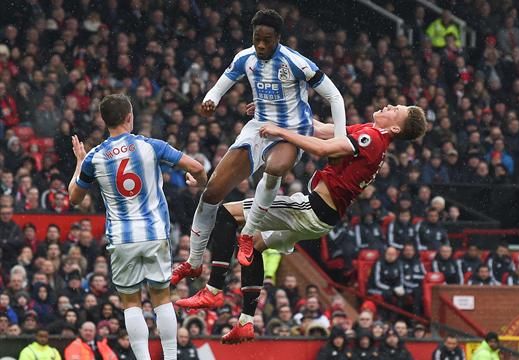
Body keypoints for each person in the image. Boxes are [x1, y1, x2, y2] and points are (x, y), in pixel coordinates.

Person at [174, 103, 427, 345]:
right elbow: (317, 128)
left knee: (228, 214)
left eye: (396, 111)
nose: (389, 107)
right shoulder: (368, 133)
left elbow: (323, 150)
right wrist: (272, 112)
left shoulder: (371, 139)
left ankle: (213, 288)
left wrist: (280, 131)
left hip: (311, 210)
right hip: (323, 215)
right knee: (257, 245)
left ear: (395, 128)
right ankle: (246, 321)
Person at [172, 8, 347, 283]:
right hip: (258, 128)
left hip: (291, 132)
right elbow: (221, 85)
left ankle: (248, 233)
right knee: (212, 192)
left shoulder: (296, 62)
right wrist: (211, 100)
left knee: (275, 166)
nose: (261, 45)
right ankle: (193, 262)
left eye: (267, 39)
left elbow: (335, 96)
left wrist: (339, 139)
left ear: (278, 37)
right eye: (257, 39)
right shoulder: (245, 58)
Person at [68, 94, 207, 360]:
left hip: (121, 239)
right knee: (161, 298)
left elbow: (74, 197)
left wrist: (78, 161)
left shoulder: (94, 157)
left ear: (104, 121)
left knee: (131, 303)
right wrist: (198, 182)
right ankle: (170, 357)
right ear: (129, 117)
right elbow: (197, 167)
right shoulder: (150, 145)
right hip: (154, 233)